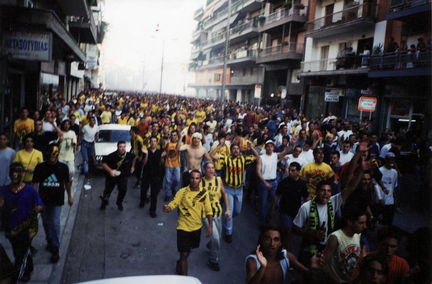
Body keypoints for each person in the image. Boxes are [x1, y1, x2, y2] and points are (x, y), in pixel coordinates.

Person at [162, 170, 213, 276]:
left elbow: (208, 210)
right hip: (183, 227)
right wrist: (168, 208)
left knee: (188, 250)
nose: (194, 180)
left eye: (197, 178)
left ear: (200, 180)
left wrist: (210, 227)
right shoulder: (182, 191)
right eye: (192, 178)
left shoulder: (204, 193)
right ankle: (184, 277)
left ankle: (180, 261)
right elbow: (174, 202)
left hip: (196, 228)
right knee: (184, 254)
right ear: (189, 179)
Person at [0, 162, 43, 282]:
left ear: (23, 174)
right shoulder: (4, 191)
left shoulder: (30, 191)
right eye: (12, 172)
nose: (14, 175)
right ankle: (28, 266)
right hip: (11, 229)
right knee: (17, 250)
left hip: (26, 228)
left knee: (20, 254)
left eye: (17, 172)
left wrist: (38, 208)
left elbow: (39, 204)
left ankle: (20, 274)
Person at [210, 142, 259, 243]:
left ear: (240, 150)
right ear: (231, 150)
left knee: (237, 211)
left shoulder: (244, 159)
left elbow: (257, 157)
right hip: (229, 189)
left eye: (237, 148)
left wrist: (252, 148)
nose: (236, 150)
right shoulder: (226, 158)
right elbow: (212, 155)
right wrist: (219, 146)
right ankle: (228, 232)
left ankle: (228, 220)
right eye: (234, 149)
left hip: (239, 190)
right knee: (230, 211)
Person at [32, 144, 73, 263]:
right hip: (43, 200)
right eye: (51, 152)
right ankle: (50, 239)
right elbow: (35, 184)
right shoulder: (40, 167)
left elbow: (67, 183)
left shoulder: (63, 167)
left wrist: (70, 196)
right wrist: (35, 201)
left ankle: (55, 248)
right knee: (45, 222)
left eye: (55, 153)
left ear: (58, 153)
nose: (53, 155)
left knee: (55, 222)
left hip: (57, 200)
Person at [245, 226, 311, 284]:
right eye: (268, 239)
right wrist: (262, 267)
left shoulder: (286, 257)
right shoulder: (253, 261)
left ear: (280, 243)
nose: (272, 244)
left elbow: (309, 273)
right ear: (261, 240)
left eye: (276, 239)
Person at [321, 208, 368, 283]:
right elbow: (324, 264)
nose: (365, 226)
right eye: (361, 223)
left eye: (365, 223)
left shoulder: (357, 235)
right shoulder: (335, 237)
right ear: (350, 222)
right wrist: (338, 281)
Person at [201, 161, 231, 271]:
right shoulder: (200, 182)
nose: (211, 170)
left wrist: (227, 209)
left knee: (216, 238)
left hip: (218, 213)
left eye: (213, 168)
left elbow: (224, 193)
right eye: (208, 168)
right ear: (204, 170)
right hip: (206, 214)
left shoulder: (218, 180)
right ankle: (213, 260)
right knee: (216, 238)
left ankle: (211, 244)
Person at [256, 140, 291, 226]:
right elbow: (258, 171)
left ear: (273, 148)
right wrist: (264, 182)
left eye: (271, 146)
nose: (270, 148)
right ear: (266, 147)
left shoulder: (275, 155)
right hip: (264, 184)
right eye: (268, 146)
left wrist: (293, 143)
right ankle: (262, 223)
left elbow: (286, 151)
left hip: (274, 182)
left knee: (273, 203)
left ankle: (268, 218)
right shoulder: (261, 158)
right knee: (263, 204)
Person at [100, 141, 135, 211]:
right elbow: (103, 163)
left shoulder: (129, 155)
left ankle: (119, 202)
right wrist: (110, 171)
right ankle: (104, 203)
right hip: (112, 177)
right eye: (120, 147)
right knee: (107, 192)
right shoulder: (112, 155)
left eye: (124, 147)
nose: (122, 148)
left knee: (123, 190)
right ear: (117, 147)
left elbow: (134, 158)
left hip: (122, 177)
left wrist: (133, 166)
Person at [274, 162, 308, 235]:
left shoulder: (302, 184)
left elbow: (305, 198)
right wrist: (274, 207)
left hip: (296, 212)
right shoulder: (283, 182)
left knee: (291, 232)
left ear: (298, 171)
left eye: (293, 170)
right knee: (287, 230)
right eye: (289, 170)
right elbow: (277, 196)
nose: (290, 172)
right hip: (284, 211)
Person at [140, 137, 164, 217]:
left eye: (155, 141)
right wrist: (146, 154)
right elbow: (144, 163)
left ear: (157, 143)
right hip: (147, 173)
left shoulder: (159, 152)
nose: (153, 143)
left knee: (154, 194)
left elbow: (161, 163)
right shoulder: (146, 151)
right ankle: (142, 201)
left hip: (156, 175)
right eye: (152, 141)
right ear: (150, 142)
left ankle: (152, 210)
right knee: (144, 189)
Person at [379, 152, 398, 225]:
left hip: (390, 201)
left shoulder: (394, 172)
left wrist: (395, 199)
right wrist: (380, 198)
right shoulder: (380, 170)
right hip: (380, 201)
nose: (391, 161)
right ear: (386, 160)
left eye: (393, 160)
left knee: (388, 222)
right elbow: (375, 185)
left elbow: (394, 186)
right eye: (390, 160)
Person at [163, 130, 181, 201]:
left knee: (177, 179)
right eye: (172, 135)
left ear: (177, 136)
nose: (173, 137)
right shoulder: (168, 143)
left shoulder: (179, 143)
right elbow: (165, 150)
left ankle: (173, 188)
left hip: (177, 164)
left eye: (175, 135)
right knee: (168, 181)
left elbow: (179, 148)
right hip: (168, 164)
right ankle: (168, 194)